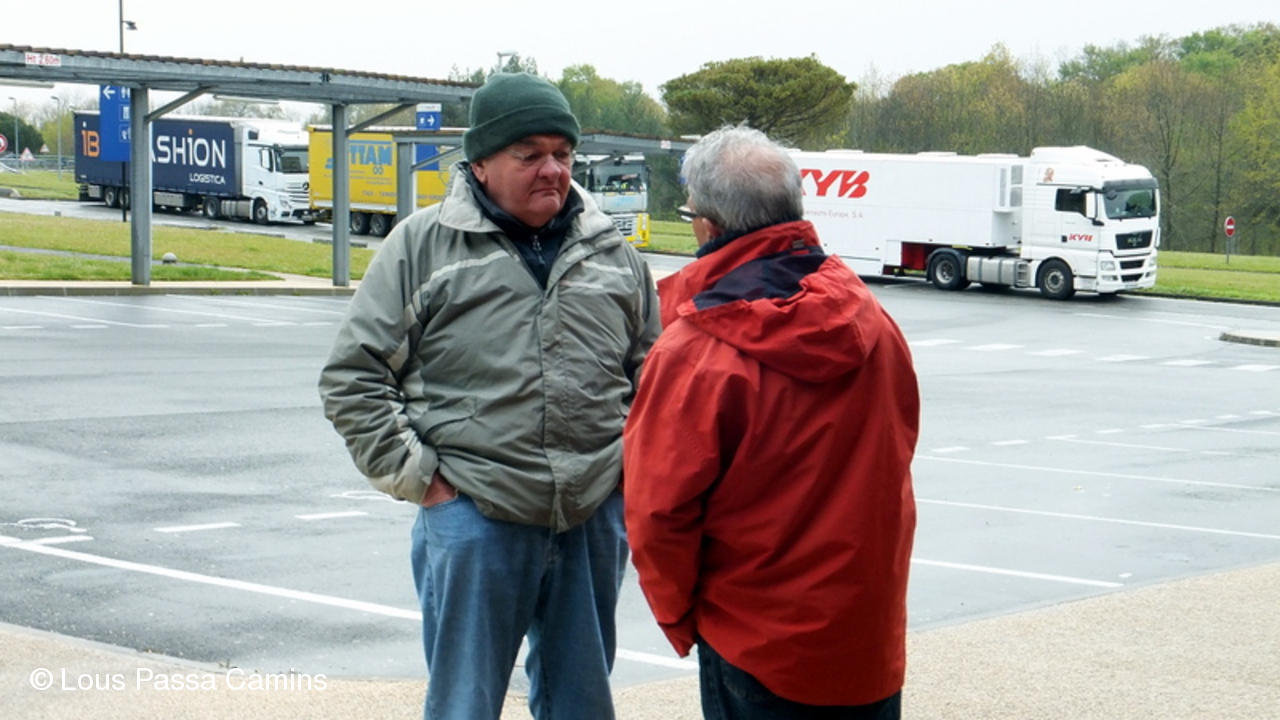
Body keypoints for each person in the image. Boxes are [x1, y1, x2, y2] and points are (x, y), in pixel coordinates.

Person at [318, 72, 661, 720]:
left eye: (562, 153)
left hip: (589, 518)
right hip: (475, 515)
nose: (552, 170)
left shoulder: (613, 254)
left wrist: (625, 480)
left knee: (583, 705)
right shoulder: (421, 247)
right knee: (464, 705)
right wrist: (423, 480)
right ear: (479, 162)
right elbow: (353, 376)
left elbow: (653, 375)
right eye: (529, 155)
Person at [622, 125, 919, 720]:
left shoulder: (695, 352)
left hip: (754, 641)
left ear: (707, 226)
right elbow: (899, 446)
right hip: (866, 636)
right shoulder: (873, 320)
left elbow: (658, 512)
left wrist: (681, 617)